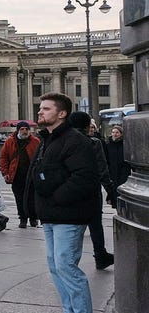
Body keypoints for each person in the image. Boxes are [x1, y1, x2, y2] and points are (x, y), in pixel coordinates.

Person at [29, 92, 99, 313]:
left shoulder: (76, 141)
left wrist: (55, 199)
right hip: (50, 215)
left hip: (68, 215)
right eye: (40, 108)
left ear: (62, 113)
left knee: (66, 267)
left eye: (46, 108)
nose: (40, 111)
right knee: (55, 267)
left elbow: (83, 179)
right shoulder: (47, 139)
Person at [66, 111, 115, 270]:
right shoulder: (94, 143)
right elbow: (102, 170)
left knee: (71, 225)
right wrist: (110, 191)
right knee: (95, 224)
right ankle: (100, 255)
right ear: (88, 127)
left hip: (68, 191)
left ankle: (68, 259)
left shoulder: (61, 142)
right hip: (90, 190)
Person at [0, 121, 40, 228]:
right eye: (22, 129)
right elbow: (3, 158)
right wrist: (5, 173)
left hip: (31, 175)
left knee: (32, 198)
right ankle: (23, 218)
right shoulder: (10, 141)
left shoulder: (35, 141)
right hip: (16, 175)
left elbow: (40, 158)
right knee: (19, 198)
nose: (25, 131)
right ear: (18, 130)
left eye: (27, 129)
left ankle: (33, 218)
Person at [105, 126, 129, 207]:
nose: (114, 134)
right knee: (113, 190)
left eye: (117, 132)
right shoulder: (108, 145)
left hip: (123, 172)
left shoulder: (125, 145)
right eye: (113, 132)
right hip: (112, 172)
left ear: (121, 134)